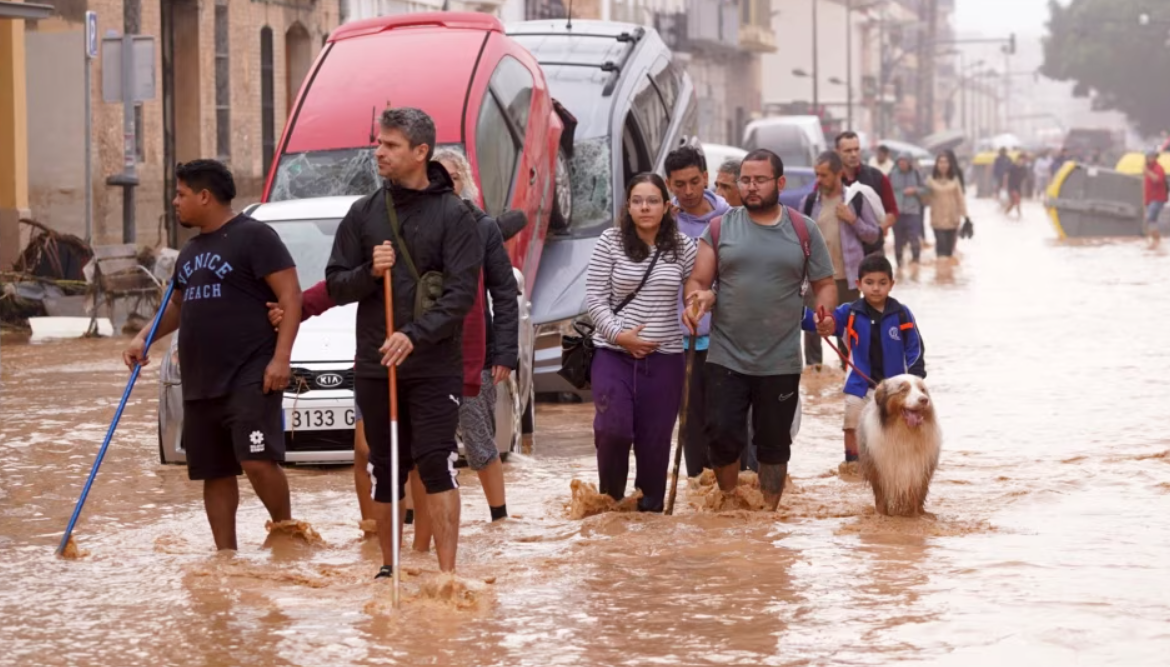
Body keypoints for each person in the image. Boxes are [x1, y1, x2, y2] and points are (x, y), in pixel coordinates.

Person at [326, 107, 481, 578]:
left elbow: (459, 297)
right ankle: (388, 569)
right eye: (378, 143)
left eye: (390, 145)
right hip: (377, 363)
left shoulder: (455, 216)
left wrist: (413, 335)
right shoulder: (364, 213)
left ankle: (447, 575)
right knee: (384, 465)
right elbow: (335, 284)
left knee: (436, 460)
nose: (378, 152)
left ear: (420, 152)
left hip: (434, 363)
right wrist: (369, 272)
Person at [123, 159, 303, 551]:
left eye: (181, 194)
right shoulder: (191, 250)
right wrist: (143, 338)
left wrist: (281, 358)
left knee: (256, 459)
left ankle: (287, 533)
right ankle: (226, 556)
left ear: (204, 196)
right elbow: (177, 304)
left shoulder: (255, 237)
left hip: (251, 372)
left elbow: (291, 296)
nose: (175, 201)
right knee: (214, 471)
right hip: (202, 378)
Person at [684, 149, 837, 510]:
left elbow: (825, 282)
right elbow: (698, 280)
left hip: (780, 359)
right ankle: (729, 503)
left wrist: (825, 313)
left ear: (780, 183)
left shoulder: (803, 229)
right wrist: (698, 300)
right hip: (726, 356)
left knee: (773, 444)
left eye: (760, 180)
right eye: (746, 180)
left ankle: (768, 515)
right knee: (721, 436)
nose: (751, 187)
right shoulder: (720, 228)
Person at [586, 173, 697, 512]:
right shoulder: (610, 241)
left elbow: (700, 286)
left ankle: (649, 514)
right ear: (628, 206)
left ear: (666, 207)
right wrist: (620, 336)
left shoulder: (683, 247)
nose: (644, 207)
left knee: (655, 442)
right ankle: (612, 504)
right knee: (612, 430)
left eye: (652, 201)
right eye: (637, 201)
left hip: (665, 360)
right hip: (612, 353)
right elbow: (594, 299)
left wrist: (695, 305)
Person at [434, 147, 520, 524]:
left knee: (479, 437)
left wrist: (505, 353)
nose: (444, 185)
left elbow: (503, 293)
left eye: (451, 178)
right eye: (437, 177)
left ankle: (499, 519)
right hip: (426, 352)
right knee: (423, 444)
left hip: (475, 352)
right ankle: (412, 522)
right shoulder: (417, 223)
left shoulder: (483, 227)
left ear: (464, 182)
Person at [801, 254, 925, 463]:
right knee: (852, 426)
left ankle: (893, 466)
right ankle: (853, 466)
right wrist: (797, 312)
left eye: (882, 283)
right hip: (859, 385)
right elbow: (822, 323)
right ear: (858, 284)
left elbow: (915, 348)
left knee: (897, 429)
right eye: (869, 283)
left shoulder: (902, 314)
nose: (876, 288)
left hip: (895, 390)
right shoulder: (848, 313)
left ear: (891, 284)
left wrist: (914, 380)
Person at [663, 146, 739, 478]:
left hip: (726, 340)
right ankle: (698, 498)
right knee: (689, 426)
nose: (689, 191)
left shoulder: (730, 219)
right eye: (680, 184)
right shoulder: (662, 221)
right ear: (669, 184)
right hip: (678, 343)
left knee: (727, 424)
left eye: (695, 181)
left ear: (706, 178)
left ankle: (731, 493)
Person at [800, 151, 881, 374]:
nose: (818, 180)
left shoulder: (855, 200)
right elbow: (796, 240)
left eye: (824, 175)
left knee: (846, 333)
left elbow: (873, 235)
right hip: (815, 278)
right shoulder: (808, 203)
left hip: (847, 278)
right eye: (816, 174)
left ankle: (848, 380)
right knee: (812, 332)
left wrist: (852, 220)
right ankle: (815, 382)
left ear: (839, 174)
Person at [836, 131, 898, 255]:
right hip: (842, 252)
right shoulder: (831, 181)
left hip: (872, 250)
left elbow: (892, 212)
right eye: (848, 151)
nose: (853, 154)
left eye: (856, 149)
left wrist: (878, 231)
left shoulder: (877, 178)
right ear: (837, 152)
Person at [926, 151, 968, 266]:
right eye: (940, 162)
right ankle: (940, 278)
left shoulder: (955, 180)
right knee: (941, 251)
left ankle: (947, 279)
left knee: (949, 253)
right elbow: (925, 200)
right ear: (936, 164)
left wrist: (966, 217)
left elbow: (960, 199)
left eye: (945, 162)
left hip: (953, 220)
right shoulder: (930, 180)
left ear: (949, 164)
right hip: (937, 221)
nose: (943, 165)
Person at [888, 152, 926, 270]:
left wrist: (915, 190)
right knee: (898, 240)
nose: (902, 163)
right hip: (897, 212)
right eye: (900, 161)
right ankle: (899, 266)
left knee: (914, 238)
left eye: (904, 161)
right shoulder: (892, 175)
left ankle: (916, 264)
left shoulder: (916, 174)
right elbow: (885, 190)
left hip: (913, 212)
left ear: (909, 163)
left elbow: (926, 189)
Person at [1144, 151, 1168, 248]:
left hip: (1158, 198)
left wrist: (1148, 172)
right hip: (1150, 198)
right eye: (1148, 157)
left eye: (1152, 157)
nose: (1150, 159)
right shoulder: (1147, 168)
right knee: (1151, 219)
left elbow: (1158, 180)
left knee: (1151, 217)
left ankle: (1156, 240)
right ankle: (1155, 240)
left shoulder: (1158, 168)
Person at [1005, 154, 1027, 219]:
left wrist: (1024, 188)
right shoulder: (1012, 166)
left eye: (1023, 160)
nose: (1022, 161)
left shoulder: (1024, 168)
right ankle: (1019, 215)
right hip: (1011, 186)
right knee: (1017, 200)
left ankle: (1006, 213)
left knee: (1013, 202)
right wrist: (1005, 185)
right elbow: (1006, 175)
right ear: (1018, 159)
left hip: (1018, 187)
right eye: (1021, 160)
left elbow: (1024, 178)